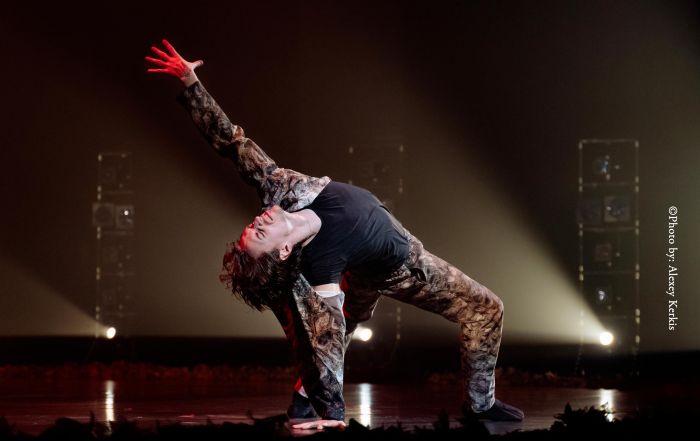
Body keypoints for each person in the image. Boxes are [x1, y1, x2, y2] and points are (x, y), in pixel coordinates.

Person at [145, 38, 524, 430]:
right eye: (257, 236)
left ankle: (305, 398)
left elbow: (231, 143)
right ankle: (479, 408)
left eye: (248, 229)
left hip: (365, 262)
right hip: (401, 266)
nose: (253, 224)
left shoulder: (279, 190)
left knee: (354, 315)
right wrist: (335, 418)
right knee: (486, 308)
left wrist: (190, 83)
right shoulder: (322, 272)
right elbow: (326, 347)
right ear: (284, 249)